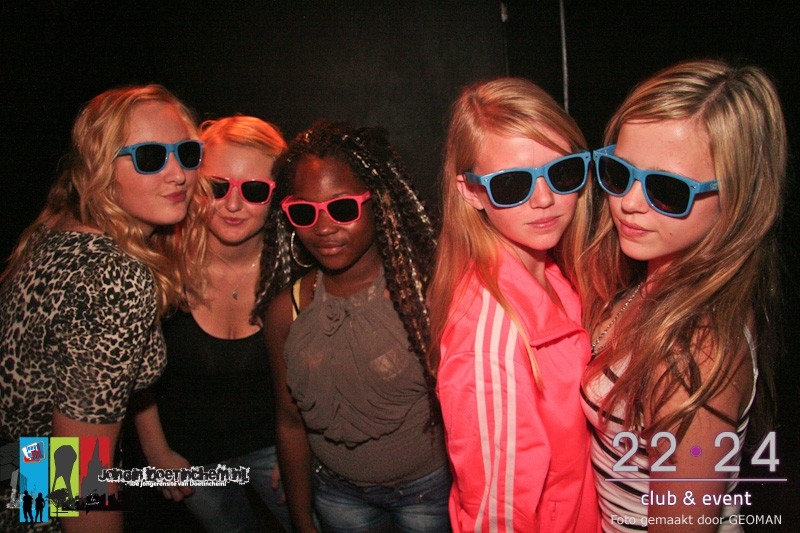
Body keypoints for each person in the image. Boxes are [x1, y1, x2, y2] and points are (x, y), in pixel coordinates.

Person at [578, 59, 786, 532]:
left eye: (667, 190)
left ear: (739, 199)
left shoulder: (694, 355)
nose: (629, 202)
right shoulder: (646, 280)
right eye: (619, 172)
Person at [0, 84, 202, 532]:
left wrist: (156, 451)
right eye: (150, 157)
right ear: (100, 168)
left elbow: (106, 379)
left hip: (29, 468)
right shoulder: (113, 279)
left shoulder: (61, 227)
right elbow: (78, 475)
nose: (179, 174)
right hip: (45, 497)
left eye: (187, 153)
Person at [254, 120, 449, 532]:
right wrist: (302, 521)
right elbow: (290, 422)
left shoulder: (424, 295)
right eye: (304, 212)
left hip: (427, 493)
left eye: (342, 208)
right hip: (338, 496)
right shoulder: (287, 311)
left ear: (378, 203)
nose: (324, 227)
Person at [426, 77, 600, 532]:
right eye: (511, 185)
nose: (545, 199)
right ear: (471, 192)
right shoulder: (491, 342)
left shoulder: (554, 273)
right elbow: (498, 520)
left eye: (563, 172)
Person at [130, 115, 293, 532]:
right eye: (217, 187)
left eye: (254, 190)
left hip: (273, 446)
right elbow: (127, 378)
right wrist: (157, 452)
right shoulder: (153, 267)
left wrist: (300, 445)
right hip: (191, 458)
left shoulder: (296, 267)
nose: (233, 205)